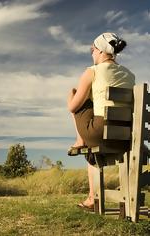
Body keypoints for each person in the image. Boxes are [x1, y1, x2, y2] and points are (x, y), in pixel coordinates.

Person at [67, 32, 135, 210]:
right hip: (126, 136)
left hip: (100, 133)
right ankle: (92, 197)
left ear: (99, 51)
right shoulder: (129, 74)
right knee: (93, 148)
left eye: (92, 49)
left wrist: (73, 99)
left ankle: (80, 140)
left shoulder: (92, 71)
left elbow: (73, 108)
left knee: (74, 96)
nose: (91, 53)